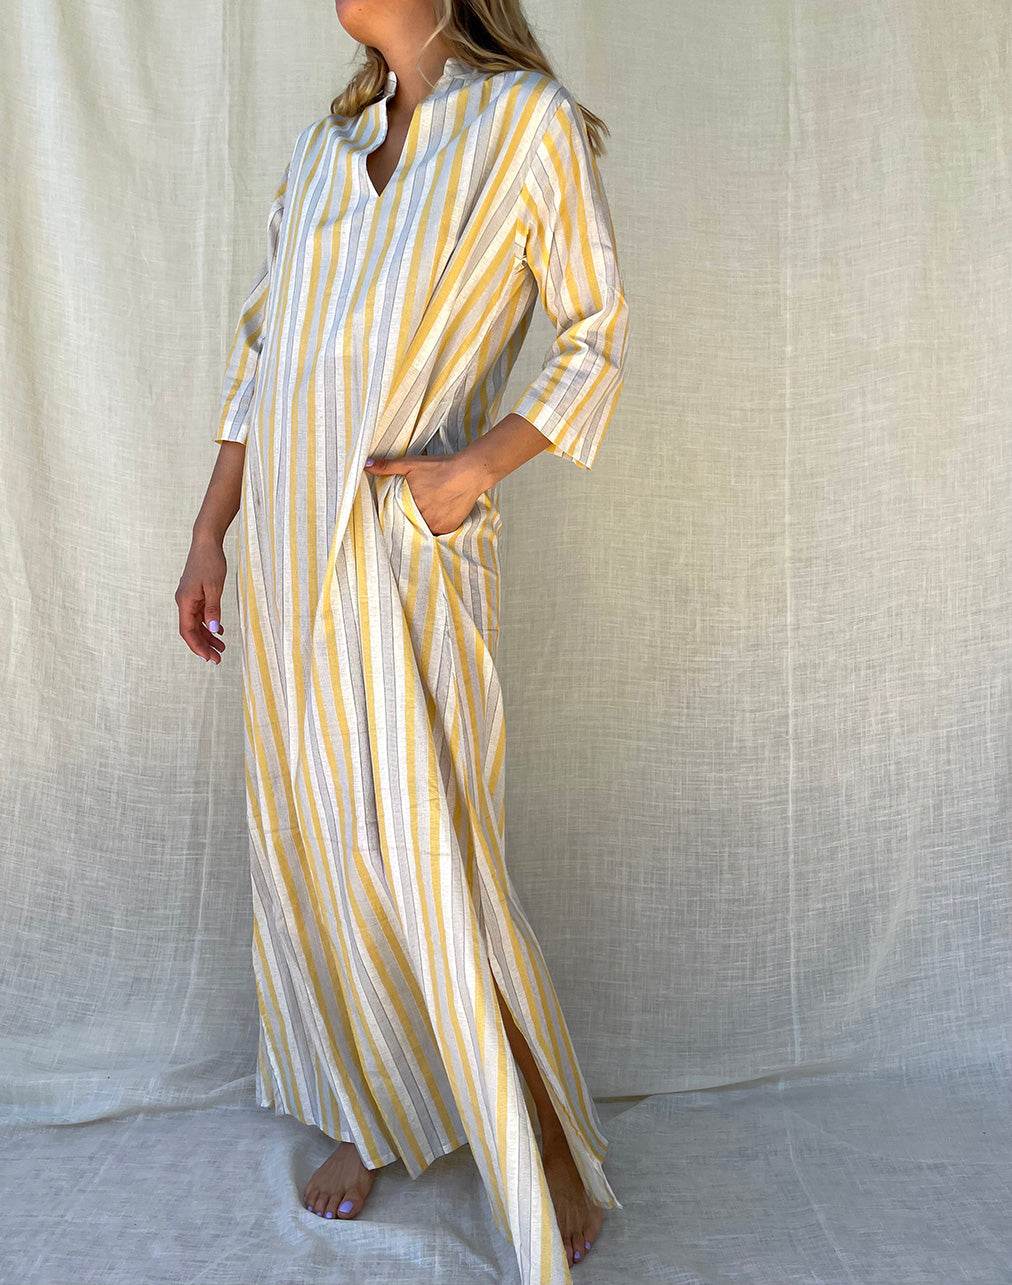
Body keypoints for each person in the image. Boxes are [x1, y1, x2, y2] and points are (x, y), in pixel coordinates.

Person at [176, 1, 629, 1280]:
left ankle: (541, 1135)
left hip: (400, 552)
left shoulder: (524, 125)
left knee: (435, 856)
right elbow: (262, 359)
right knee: (317, 844)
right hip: (285, 559)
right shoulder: (328, 150)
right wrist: (210, 531)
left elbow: (596, 331)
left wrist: (468, 472)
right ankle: (361, 1107)